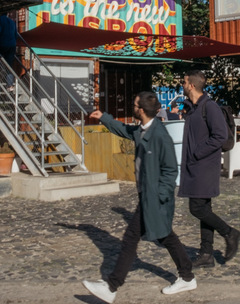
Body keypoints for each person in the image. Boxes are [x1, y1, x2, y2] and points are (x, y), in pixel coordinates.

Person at [83, 92, 196, 302]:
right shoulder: (143, 130)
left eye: (134, 104)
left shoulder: (160, 135)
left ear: (141, 110)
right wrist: (104, 117)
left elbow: (171, 170)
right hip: (148, 197)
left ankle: (111, 286)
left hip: (154, 199)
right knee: (166, 237)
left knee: (130, 239)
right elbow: (125, 130)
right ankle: (187, 276)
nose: (132, 106)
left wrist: (159, 196)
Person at [179, 70, 240, 268]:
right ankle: (206, 253)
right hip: (195, 165)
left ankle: (230, 233)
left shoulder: (210, 107)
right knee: (203, 208)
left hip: (204, 166)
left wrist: (198, 152)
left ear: (192, 85)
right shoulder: (193, 108)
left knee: (196, 208)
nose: (182, 84)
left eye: (184, 81)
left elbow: (220, 136)